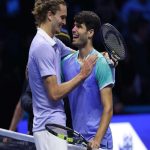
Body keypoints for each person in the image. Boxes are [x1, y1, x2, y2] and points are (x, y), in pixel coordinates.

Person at [27, 0, 97, 150]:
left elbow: (77, 55)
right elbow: (54, 93)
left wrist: (101, 56)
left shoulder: (54, 42)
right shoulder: (42, 46)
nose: (65, 22)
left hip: (53, 125)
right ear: (50, 15)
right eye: (62, 17)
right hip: (48, 127)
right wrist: (81, 76)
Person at [62, 11, 115, 150]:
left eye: (79, 26)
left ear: (90, 33)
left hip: (99, 142)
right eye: (73, 26)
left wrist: (96, 140)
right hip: (77, 141)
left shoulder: (102, 63)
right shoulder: (66, 63)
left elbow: (108, 108)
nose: (73, 29)